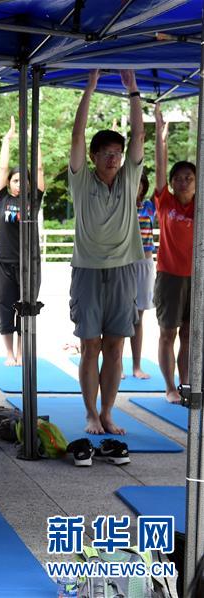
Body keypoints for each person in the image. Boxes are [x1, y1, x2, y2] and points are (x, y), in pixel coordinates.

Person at [68, 69, 145, 435]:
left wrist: (132, 91)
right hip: (87, 268)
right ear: (95, 156)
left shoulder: (130, 178)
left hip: (125, 267)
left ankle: (109, 411)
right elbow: (76, 136)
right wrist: (90, 88)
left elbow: (140, 135)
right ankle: (90, 413)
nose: (113, 158)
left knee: (116, 347)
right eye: (107, 153)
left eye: (118, 153)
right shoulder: (82, 179)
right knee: (90, 345)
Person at [0, 115, 46, 366]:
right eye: (14, 179)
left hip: (28, 262)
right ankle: (9, 354)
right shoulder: (2, 199)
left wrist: (34, 140)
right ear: (9, 183)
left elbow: (39, 169)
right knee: (4, 307)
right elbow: (3, 168)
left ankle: (23, 353)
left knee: (26, 308)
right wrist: (7, 140)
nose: (18, 183)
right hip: (3, 261)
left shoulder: (33, 199)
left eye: (23, 179)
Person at [153, 103, 196, 404]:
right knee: (168, 333)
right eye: (178, 177)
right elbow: (158, 165)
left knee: (190, 335)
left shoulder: (200, 205)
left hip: (196, 277)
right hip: (169, 277)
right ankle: (168, 386)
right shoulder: (164, 202)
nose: (183, 181)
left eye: (189, 178)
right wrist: (160, 133)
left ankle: (185, 385)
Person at [130, 171, 154, 379]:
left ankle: (136, 366)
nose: (135, 187)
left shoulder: (149, 206)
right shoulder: (120, 205)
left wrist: (161, 142)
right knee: (119, 317)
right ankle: (116, 364)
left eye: (139, 183)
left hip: (144, 263)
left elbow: (162, 186)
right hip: (124, 263)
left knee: (138, 317)